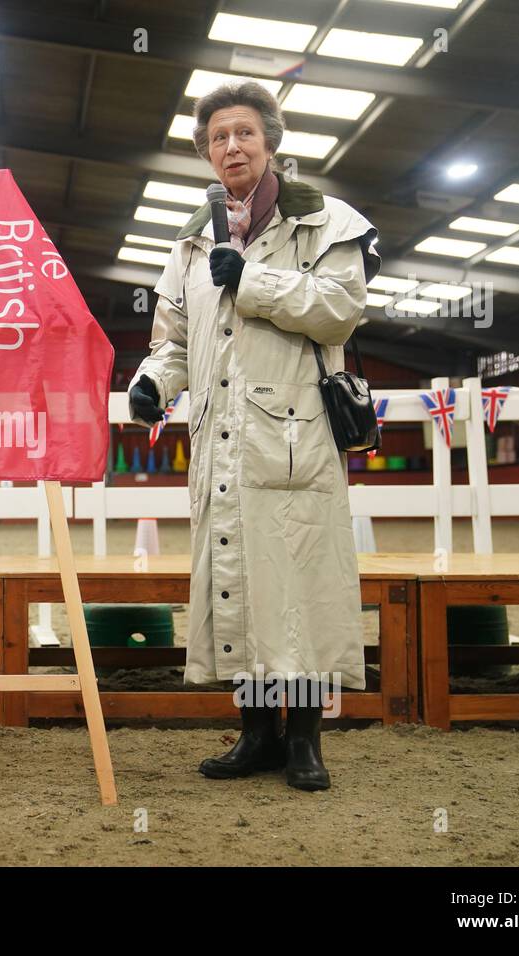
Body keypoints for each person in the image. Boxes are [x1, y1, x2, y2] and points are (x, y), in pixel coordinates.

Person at [128, 82, 381, 791]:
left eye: (242, 133)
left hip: (295, 440)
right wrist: (155, 384)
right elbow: (173, 338)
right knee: (237, 584)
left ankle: (304, 743)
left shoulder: (325, 221)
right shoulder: (189, 239)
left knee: (296, 588)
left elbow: (340, 309)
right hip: (221, 444)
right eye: (217, 138)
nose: (230, 147)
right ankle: (253, 736)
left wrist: (253, 279)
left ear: (270, 140)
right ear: (206, 153)